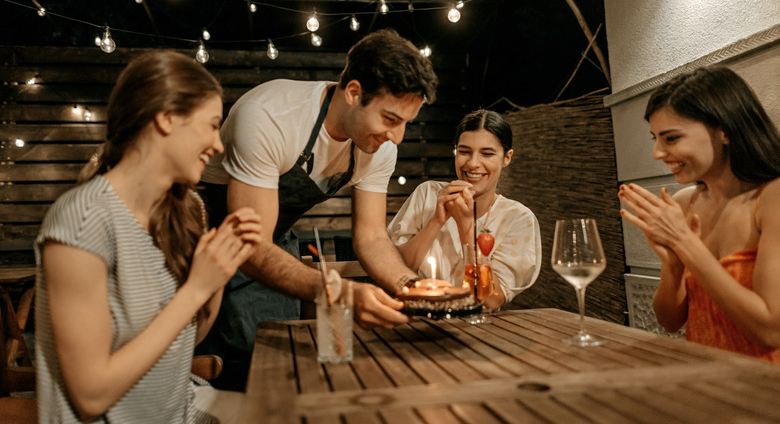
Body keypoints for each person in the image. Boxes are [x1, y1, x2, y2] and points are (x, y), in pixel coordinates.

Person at [197, 28, 439, 390]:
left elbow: (371, 237)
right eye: (390, 119)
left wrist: (416, 290)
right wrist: (338, 291)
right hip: (199, 238)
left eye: (406, 123)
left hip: (270, 241)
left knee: (276, 364)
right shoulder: (269, 117)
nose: (398, 137)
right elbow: (248, 243)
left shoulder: (379, 148)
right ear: (354, 92)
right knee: (222, 368)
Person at [35, 50, 262, 422]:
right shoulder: (84, 218)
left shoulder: (189, 208)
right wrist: (197, 289)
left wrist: (219, 273)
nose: (218, 145)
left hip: (182, 411)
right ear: (167, 118)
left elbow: (189, 338)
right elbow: (91, 397)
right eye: (211, 125)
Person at [618, 66, 780, 362]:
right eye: (654, 138)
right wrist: (674, 266)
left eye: (671, 138)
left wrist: (685, 244)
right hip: (710, 384)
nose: (657, 153)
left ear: (725, 131)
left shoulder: (773, 196)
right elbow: (669, 321)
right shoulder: (684, 203)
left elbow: (771, 331)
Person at [388, 109, 542, 309]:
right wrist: (436, 221)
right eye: (464, 152)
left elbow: (490, 300)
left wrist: (466, 226)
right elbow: (395, 270)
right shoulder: (427, 194)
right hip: (416, 319)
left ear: (507, 158)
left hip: (478, 329)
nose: (473, 163)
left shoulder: (519, 218)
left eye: (487, 154)